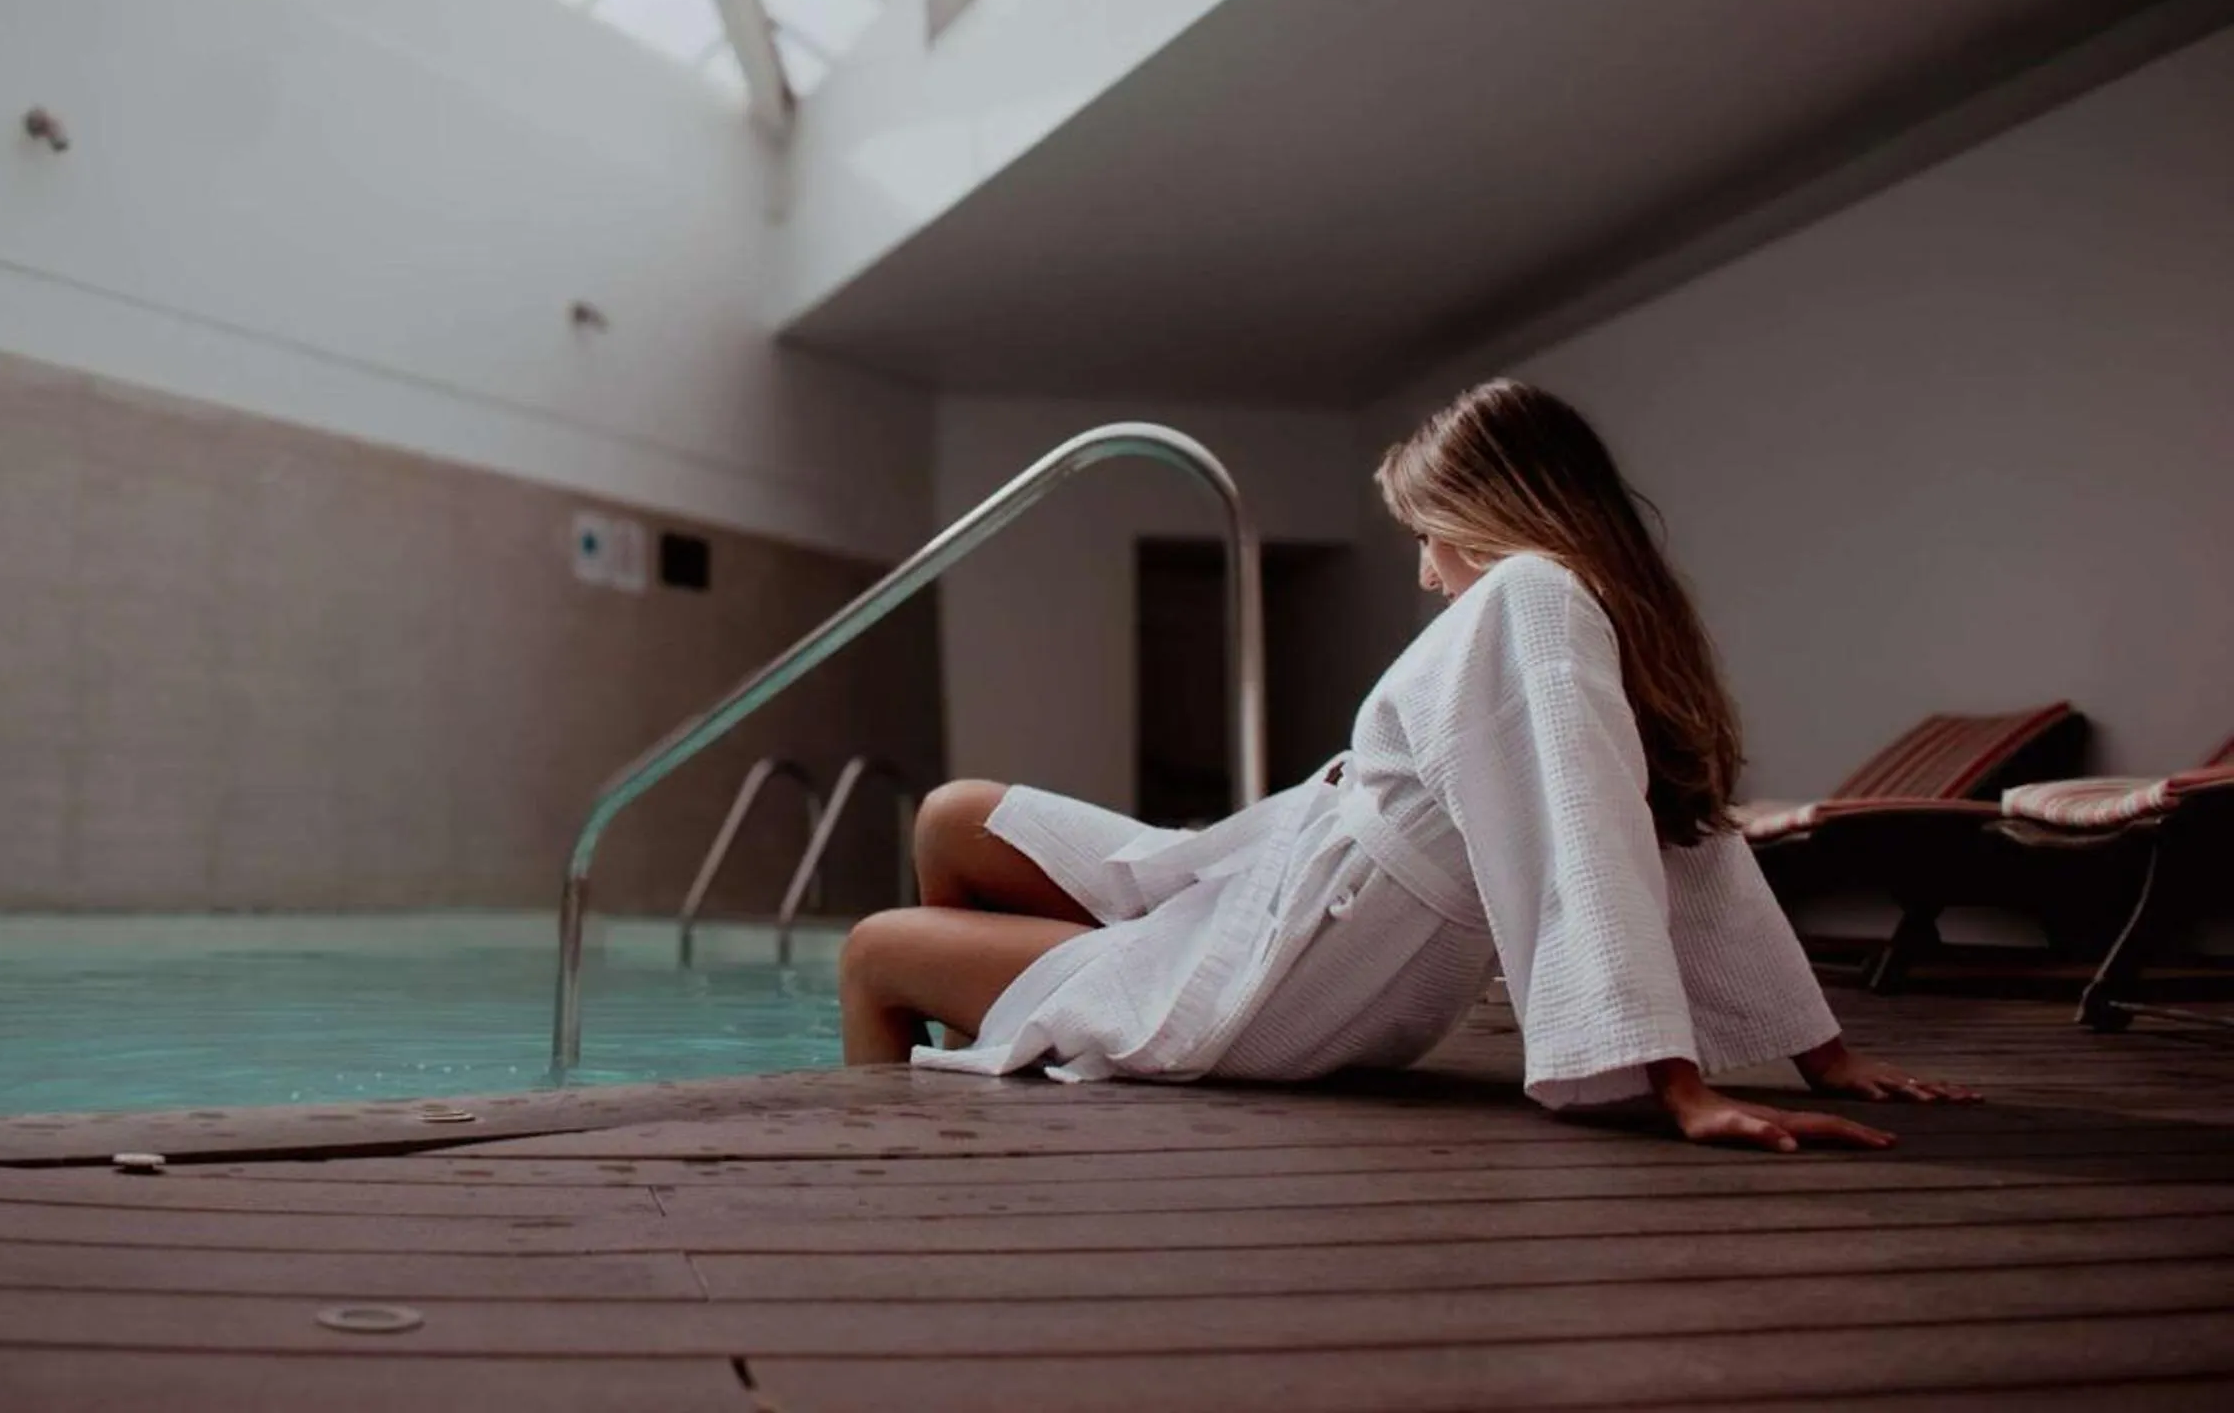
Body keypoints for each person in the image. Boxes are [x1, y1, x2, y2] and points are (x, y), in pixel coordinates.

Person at [841, 379, 1976, 1151]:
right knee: (954, 815)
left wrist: (1674, 1083)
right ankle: (1015, 1035)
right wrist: (1822, 1055)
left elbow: (1601, 835)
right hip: (1266, 895)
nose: (1429, 574)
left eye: (1429, 535)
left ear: (1489, 515)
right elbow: (1689, 832)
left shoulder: (1531, 598)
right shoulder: (1572, 605)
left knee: (873, 952)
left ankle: (920, 1150)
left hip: (1288, 983)